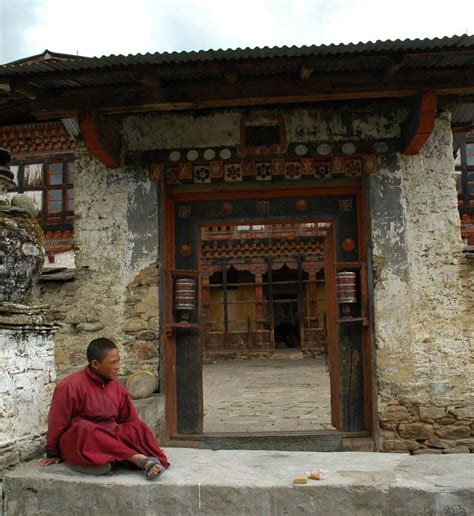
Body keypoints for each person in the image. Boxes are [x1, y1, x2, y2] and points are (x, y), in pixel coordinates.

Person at [39, 337, 169, 480]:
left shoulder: (116, 387)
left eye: (118, 361)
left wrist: (139, 439)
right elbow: (57, 423)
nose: (118, 366)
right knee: (85, 429)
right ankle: (138, 459)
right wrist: (53, 453)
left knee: (137, 427)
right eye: (113, 362)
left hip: (109, 436)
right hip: (82, 441)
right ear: (95, 364)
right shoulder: (70, 386)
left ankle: (112, 460)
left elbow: (129, 419)